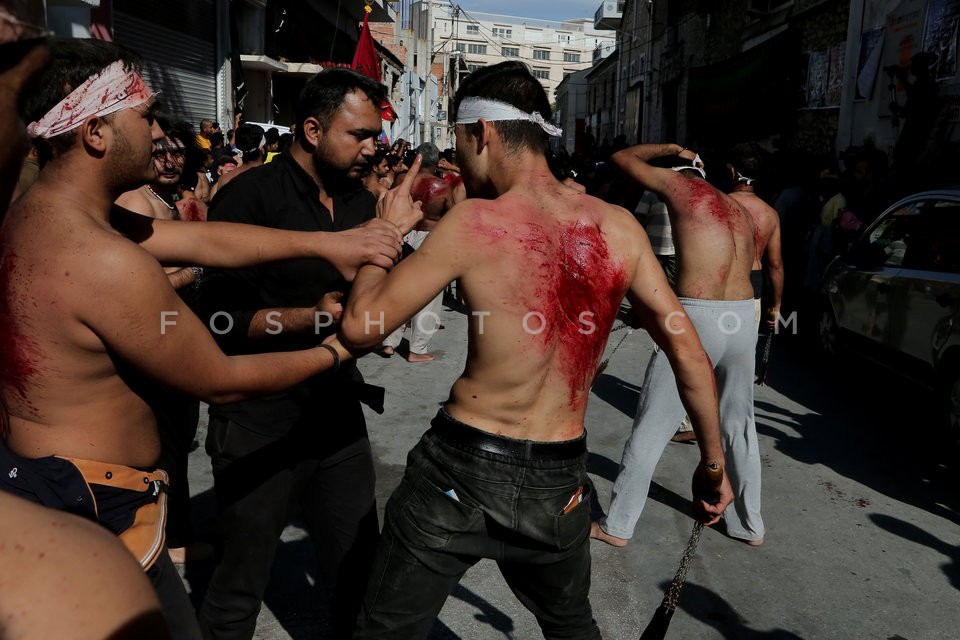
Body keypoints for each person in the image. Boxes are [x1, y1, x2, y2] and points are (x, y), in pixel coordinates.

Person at [2, 37, 411, 639]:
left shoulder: (43, 213)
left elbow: (208, 242)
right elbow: (220, 380)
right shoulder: (105, 260)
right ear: (95, 134)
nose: (159, 132)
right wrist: (337, 348)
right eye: (142, 117)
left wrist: (329, 243)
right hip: (94, 504)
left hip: (52, 481)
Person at [340, 61, 733, 639]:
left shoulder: (476, 221)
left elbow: (361, 326)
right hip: (559, 477)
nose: (458, 158)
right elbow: (690, 355)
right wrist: (713, 465)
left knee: (386, 631)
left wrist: (387, 234)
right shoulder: (618, 227)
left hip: (461, 469)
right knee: (572, 628)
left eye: (458, 141)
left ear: (482, 134)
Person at [196, 67, 417, 640]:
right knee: (238, 583)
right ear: (313, 129)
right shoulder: (249, 196)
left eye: (376, 134)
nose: (374, 147)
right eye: (360, 135)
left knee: (357, 569)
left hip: (336, 412)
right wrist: (314, 318)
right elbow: (216, 321)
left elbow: (381, 295)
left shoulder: (360, 202)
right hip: (257, 418)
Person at [593, 141, 764, 548]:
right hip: (741, 316)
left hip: (699, 314)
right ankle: (749, 525)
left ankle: (618, 525)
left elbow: (622, 159)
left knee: (653, 421)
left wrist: (673, 148)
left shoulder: (678, 186)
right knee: (740, 424)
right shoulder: (737, 207)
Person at [379, 142, 461, 362]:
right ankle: (417, 349)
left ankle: (389, 343)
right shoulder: (442, 187)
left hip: (402, 232)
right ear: (435, 164)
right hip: (428, 237)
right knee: (429, 295)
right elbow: (451, 216)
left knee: (396, 289)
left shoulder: (400, 181)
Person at [727, 143, 784, 329]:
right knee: (744, 348)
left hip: (720, 278)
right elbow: (775, 265)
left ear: (733, 172)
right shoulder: (770, 214)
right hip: (752, 282)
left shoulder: (717, 204)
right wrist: (776, 306)